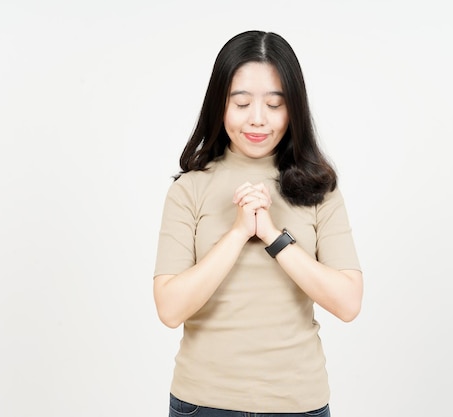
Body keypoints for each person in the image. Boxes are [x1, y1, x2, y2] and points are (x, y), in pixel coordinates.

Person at [153, 30, 364, 417]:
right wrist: (237, 234)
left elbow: (348, 302)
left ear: (293, 109)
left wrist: (272, 236)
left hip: (299, 404)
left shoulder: (320, 187)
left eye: (274, 104)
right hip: (203, 404)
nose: (257, 119)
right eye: (242, 102)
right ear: (220, 105)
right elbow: (169, 309)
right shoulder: (189, 189)